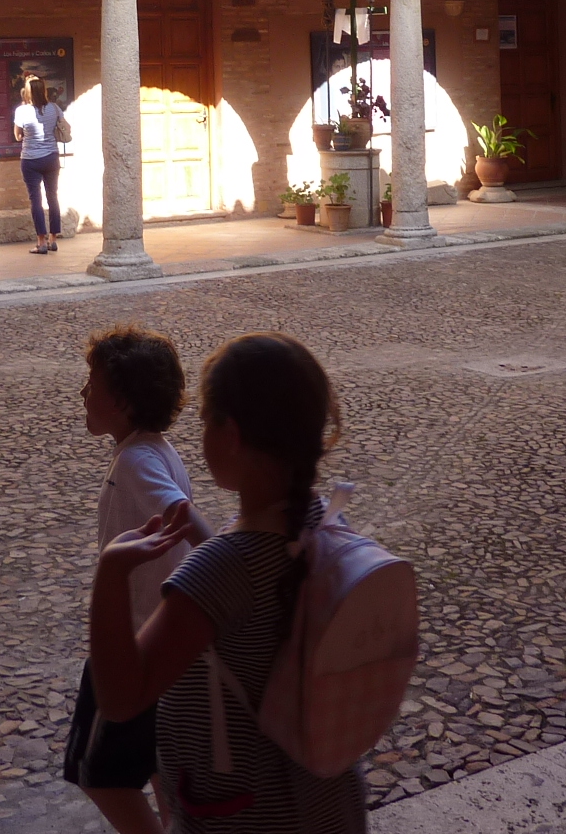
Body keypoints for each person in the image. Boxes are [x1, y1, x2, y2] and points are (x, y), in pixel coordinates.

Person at [89, 333, 366, 834]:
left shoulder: (220, 573)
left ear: (230, 434)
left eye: (204, 420)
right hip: (331, 807)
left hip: (251, 818)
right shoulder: (331, 530)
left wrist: (110, 573)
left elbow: (120, 697)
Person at [66, 327, 213, 834]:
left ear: (124, 401)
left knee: (99, 773)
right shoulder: (153, 449)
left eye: (92, 382)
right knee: (158, 765)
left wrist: (223, 567)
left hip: (135, 648)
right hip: (159, 646)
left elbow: (186, 517)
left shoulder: (136, 461)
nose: (83, 392)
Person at [12, 73, 64, 254]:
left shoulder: (22, 111)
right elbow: (62, 126)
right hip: (51, 157)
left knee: (36, 200)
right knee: (53, 197)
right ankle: (53, 238)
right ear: (44, 90)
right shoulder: (55, 108)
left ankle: (41, 242)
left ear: (27, 92)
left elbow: (17, 136)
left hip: (30, 159)